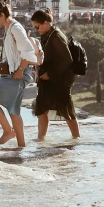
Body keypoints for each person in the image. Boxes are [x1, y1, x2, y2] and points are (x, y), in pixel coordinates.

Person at [0, 0, 42, 148]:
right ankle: (21, 145)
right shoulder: (10, 28)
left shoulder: (15, 28)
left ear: (2, 14)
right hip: (14, 74)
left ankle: (8, 131)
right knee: (14, 111)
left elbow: (28, 51)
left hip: (16, 75)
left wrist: (20, 69)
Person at [31, 9, 80, 141]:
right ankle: (41, 138)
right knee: (41, 110)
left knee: (66, 111)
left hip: (60, 81)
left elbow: (67, 59)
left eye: (37, 26)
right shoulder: (46, 35)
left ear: (45, 23)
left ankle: (76, 138)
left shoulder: (56, 36)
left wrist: (50, 74)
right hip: (47, 81)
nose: (36, 29)